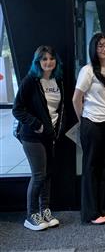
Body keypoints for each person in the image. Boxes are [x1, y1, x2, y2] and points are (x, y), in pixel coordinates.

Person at [13, 46, 64, 231]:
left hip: (50, 136)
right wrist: (37, 124)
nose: (48, 62)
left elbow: (58, 109)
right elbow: (17, 109)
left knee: (48, 174)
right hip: (32, 136)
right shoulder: (31, 81)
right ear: (38, 62)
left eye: (51, 58)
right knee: (39, 175)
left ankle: (45, 211)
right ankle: (31, 215)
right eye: (44, 59)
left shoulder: (57, 80)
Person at [72, 33, 105, 225]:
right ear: (94, 48)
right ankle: (91, 213)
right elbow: (76, 98)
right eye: (100, 45)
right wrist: (83, 120)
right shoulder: (88, 70)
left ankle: (103, 208)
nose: (104, 49)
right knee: (91, 167)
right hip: (92, 123)